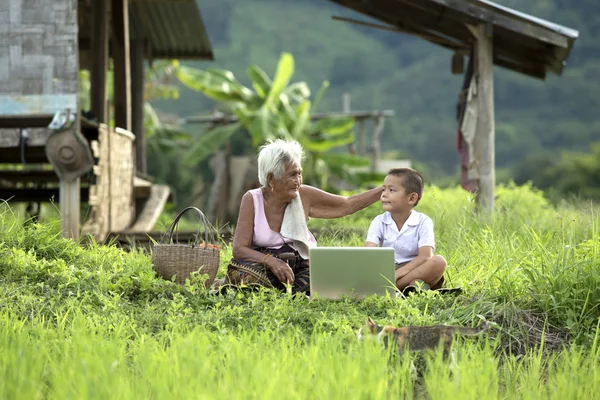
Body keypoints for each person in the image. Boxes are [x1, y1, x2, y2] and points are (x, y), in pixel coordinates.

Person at [221, 139, 384, 295]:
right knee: (243, 275)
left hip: (301, 264)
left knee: (325, 280)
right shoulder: (252, 199)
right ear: (271, 179)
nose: (298, 181)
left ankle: (292, 291)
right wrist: (271, 261)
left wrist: (385, 189)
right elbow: (239, 249)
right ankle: (280, 290)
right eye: (292, 175)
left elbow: (346, 205)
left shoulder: (303, 195)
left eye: (300, 174)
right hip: (265, 265)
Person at [365, 168, 447, 293]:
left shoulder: (423, 221)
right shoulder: (379, 221)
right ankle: (413, 286)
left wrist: (398, 274)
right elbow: (368, 253)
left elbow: (425, 256)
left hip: (414, 268)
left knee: (439, 262)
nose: (384, 194)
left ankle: (388, 288)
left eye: (391, 190)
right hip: (387, 270)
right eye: (383, 189)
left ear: (412, 198)